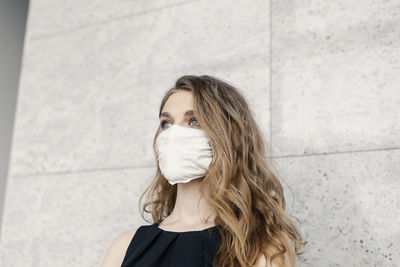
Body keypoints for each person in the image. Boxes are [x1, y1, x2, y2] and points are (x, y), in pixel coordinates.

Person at [101, 75, 307, 267]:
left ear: (229, 135)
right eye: (166, 123)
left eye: (194, 121)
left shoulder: (261, 246)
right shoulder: (125, 246)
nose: (174, 134)